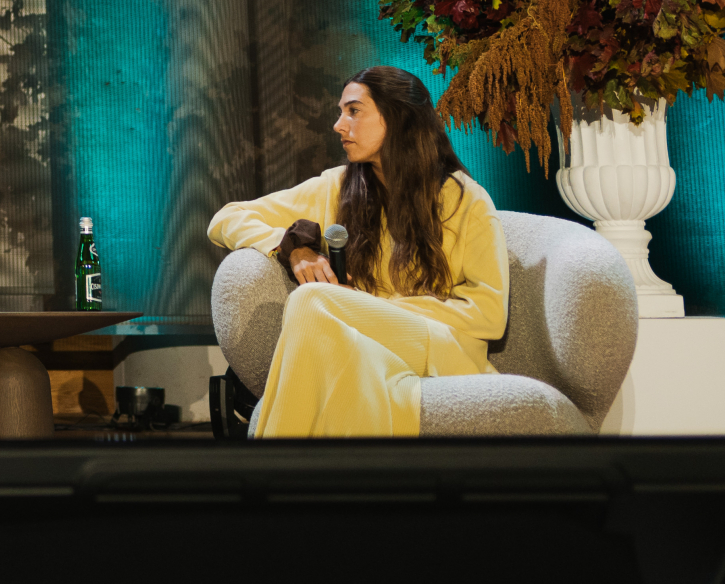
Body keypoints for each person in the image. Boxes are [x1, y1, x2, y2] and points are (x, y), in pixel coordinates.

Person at [206, 65, 507, 437]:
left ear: (398, 118)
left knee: (312, 300)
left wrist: (369, 309)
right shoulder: (338, 187)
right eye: (341, 111)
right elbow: (226, 218)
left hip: (439, 347)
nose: (338, 124)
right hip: (362, 342)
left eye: (353, 111)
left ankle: (268, 470)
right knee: (318, 317)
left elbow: (490, 314)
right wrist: (292, 249)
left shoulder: (464, 200)